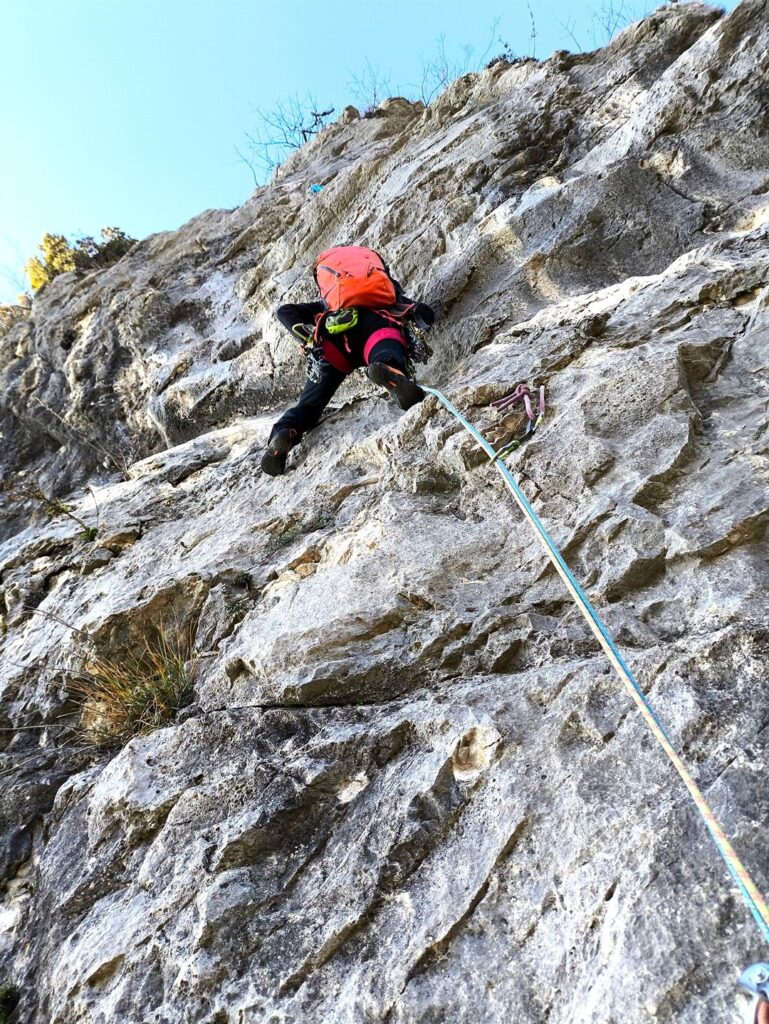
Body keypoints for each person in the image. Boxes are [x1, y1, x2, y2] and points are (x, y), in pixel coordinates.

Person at [261, 245, 435, 476]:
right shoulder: (389, 295)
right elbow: (426, 314)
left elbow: (284, 312)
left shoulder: (326, 305)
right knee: (386, 354)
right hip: (376, 326)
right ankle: (390, 371)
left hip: (334, 343)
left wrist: (307, 338)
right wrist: (415, 314)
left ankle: (285, 432)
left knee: (308, 407)